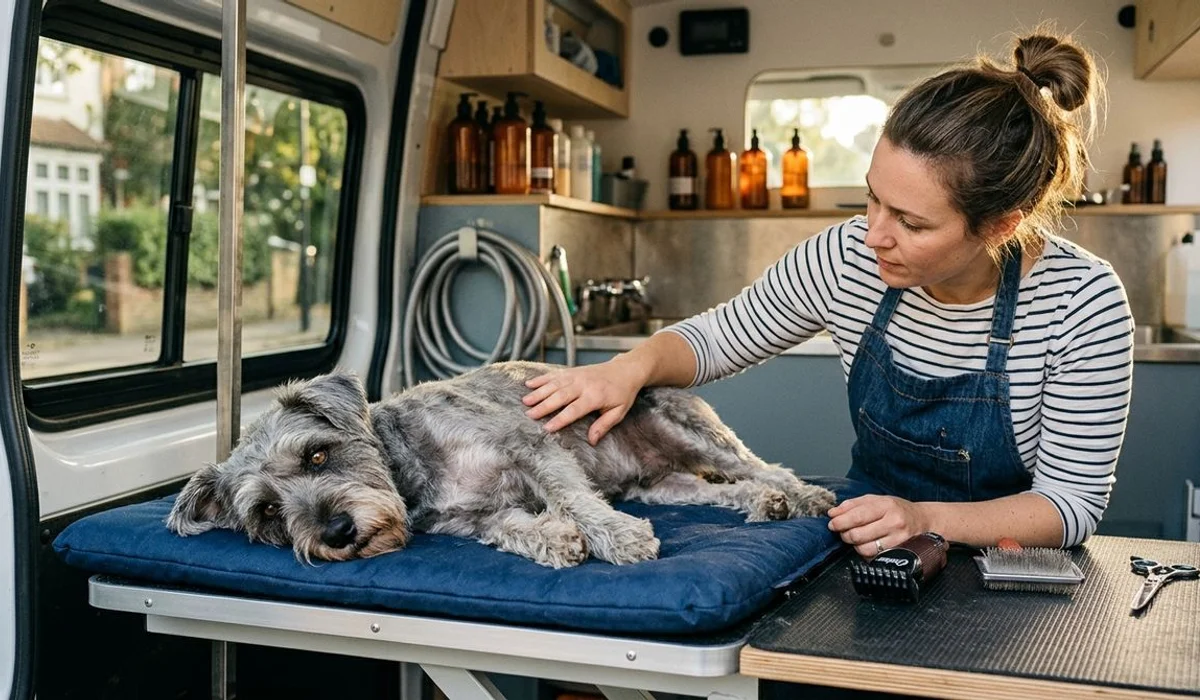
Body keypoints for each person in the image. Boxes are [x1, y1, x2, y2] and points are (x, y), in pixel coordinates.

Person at [522, 31, 1133, 559]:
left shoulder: (1083, 302)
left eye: (911, 223)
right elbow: (716, 338)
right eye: (872, 197)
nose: (874, 235)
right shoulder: (848, 258)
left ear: (1001, 223)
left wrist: (926, 520)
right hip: (872, 547)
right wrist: (627, 370)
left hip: (1011, 569)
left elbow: (1069, 504)